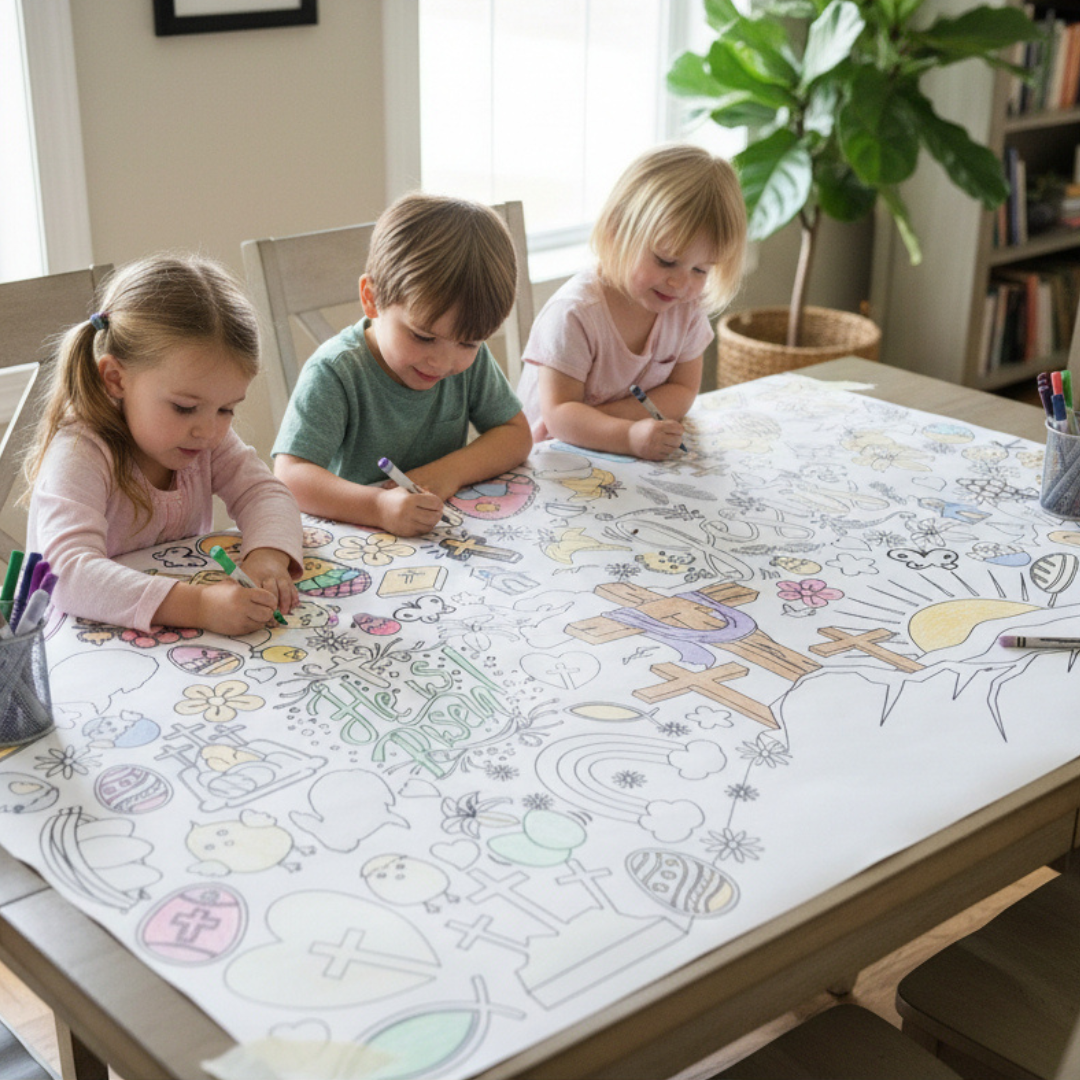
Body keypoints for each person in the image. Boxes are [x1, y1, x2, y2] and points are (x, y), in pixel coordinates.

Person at [25, 254, 304, 636]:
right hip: (73, 648)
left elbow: (265, 493)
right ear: (116, 379)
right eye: (184, 407)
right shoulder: (80, 451)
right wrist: (199, 605)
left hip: (173, 640)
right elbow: (67, 572)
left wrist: (267, 557)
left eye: (227, 409)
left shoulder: (202, 438)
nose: (209, 431)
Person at [272, 193, 532, 537]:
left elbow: (515, 435)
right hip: (357, 538)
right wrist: (378, 506)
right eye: (423, 336)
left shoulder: (469, 361)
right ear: (371, 298)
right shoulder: (336, 371)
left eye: (469, 343)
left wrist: (449, 472)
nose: (443, 362)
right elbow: (289, 477)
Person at [517, 143, 747, 459]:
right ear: (616, 230)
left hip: (624, 457)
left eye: (700, 270)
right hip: (548, 459)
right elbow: (559, 416)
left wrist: (615, 420)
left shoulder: (686, 308)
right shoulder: (574, 314)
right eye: (666, 261)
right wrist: (628, 435)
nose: (680, 284)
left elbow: (683, 390)